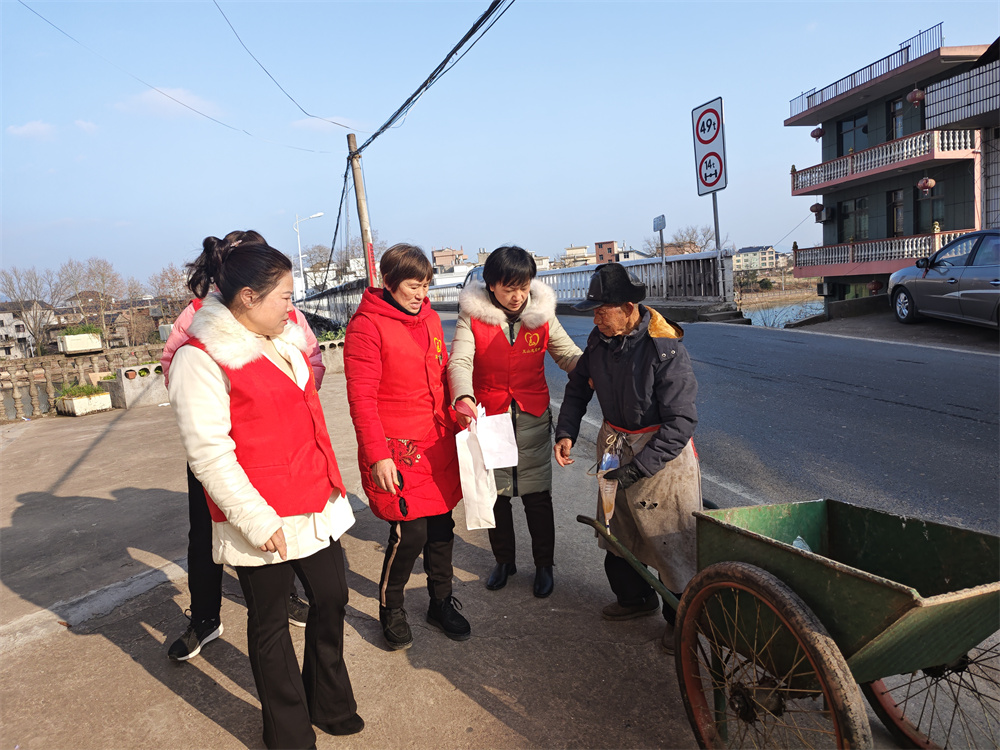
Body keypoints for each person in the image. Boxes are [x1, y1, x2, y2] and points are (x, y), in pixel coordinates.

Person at [168, 234, 361, 748]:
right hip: (261, 511)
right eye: (284, 297)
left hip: (312, 499)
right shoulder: (201, 358)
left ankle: (329, 700)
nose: (292, 308)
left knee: (331, 595)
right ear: (248, 298)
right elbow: (208, 453)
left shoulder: (283, 338)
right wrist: (255, 518)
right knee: (271, 621)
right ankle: (289, 732)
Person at [160, 229, 321, 662]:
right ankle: (205, 619)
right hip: (218, 450)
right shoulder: (197, 316)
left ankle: (285, 597)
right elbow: (173, 365)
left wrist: (287, 403)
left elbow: (310, 359)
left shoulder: (283, 312)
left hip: (279, 450)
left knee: (283, 532)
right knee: (205, 536)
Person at [553, 263, 701, 654]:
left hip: (661, 455)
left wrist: (640, 466)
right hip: (613, 446)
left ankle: (680, 621)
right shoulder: (599, 341)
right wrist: (566, 431)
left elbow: (681, 422)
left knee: (671, 540)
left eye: (604, 310)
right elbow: (577, 388)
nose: (597, 318)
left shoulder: (665, 349)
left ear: (629, 307)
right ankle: (634, 598)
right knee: (615, 529)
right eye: (595, 311)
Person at [344, 243, 469, 651]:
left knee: (441, 529)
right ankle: (391, 606)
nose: (421, 294)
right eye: (414, 286)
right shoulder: (366, 328)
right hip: (398, 449)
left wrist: (460, 403)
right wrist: (377, 454)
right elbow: (361, 400)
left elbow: (442, 372)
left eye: (426, 285)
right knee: (408, 533)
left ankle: (440, 601)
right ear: (388, 282)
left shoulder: (431, 319)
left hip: (436, 443)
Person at [447, 246, 581, 598]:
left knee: (538, 497)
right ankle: (504, 561)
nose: (518, 296)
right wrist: (463, 396)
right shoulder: (472, 317)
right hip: (491, 416)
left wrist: (598, 371)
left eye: (523, 286)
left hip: (533, 416)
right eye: (509, 288)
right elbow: (459, 362)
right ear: (492, 286)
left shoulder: (541, 315)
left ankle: (544, 566)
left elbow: (567, 354)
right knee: (499, 498)